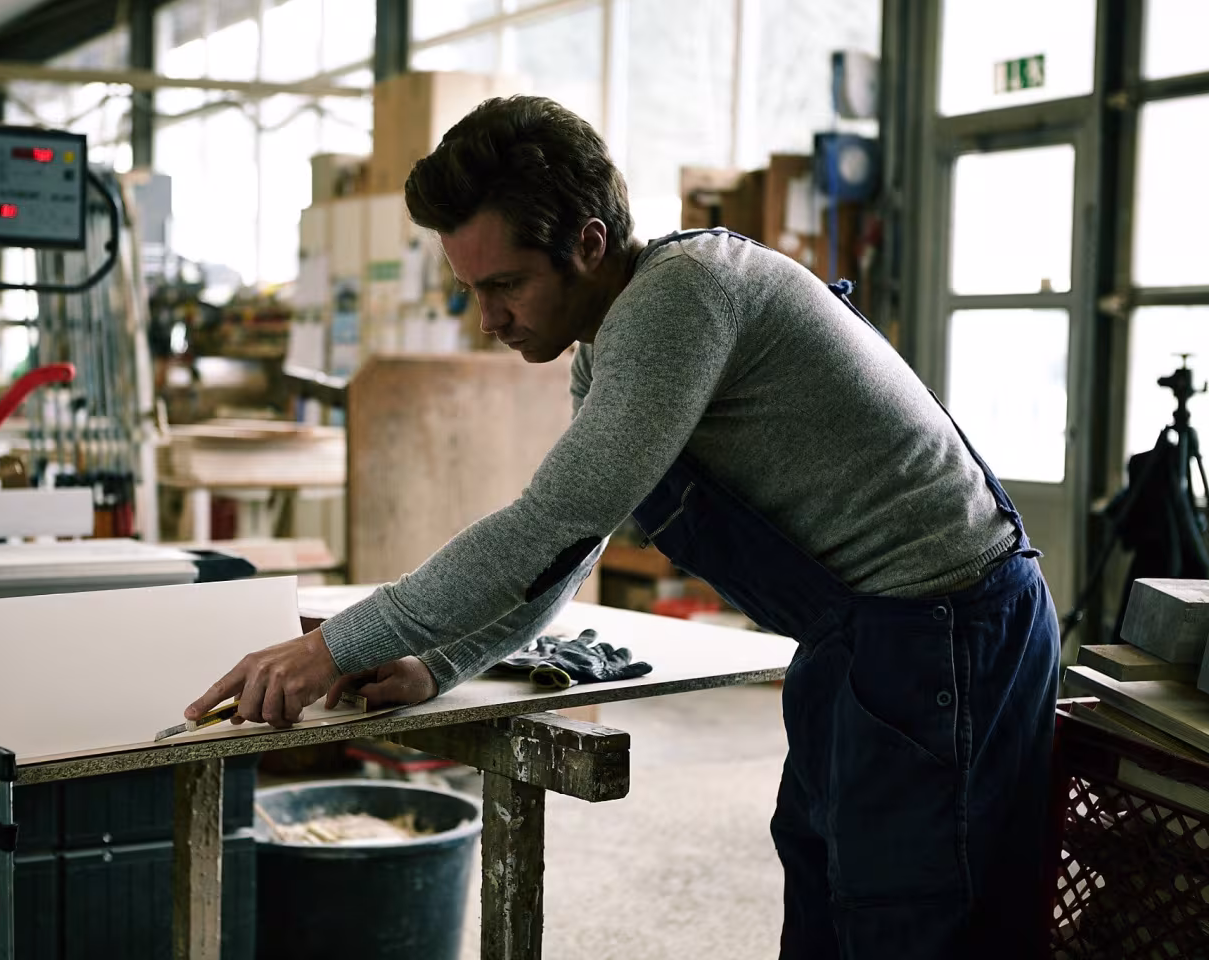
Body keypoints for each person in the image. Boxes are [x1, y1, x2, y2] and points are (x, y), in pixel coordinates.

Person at [184, 96, 1059, 957]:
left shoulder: (684, 297)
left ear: (589, 244)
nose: (489, 320)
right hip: (864, 639)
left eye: (505, 285)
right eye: (470, 291)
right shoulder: (610, 343)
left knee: (908, 918)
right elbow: (574, 544)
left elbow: (547, 522)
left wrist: (332, 645)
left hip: (946, 634)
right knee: (831, 900)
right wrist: (439, 663)